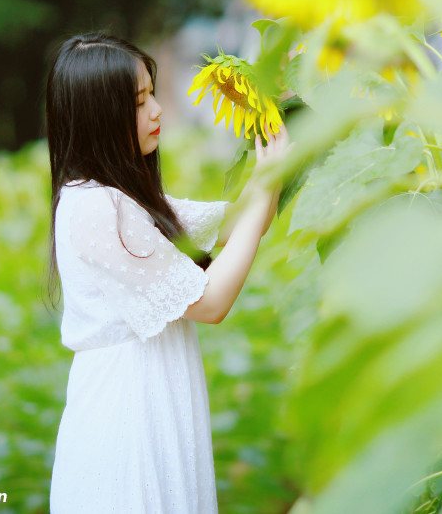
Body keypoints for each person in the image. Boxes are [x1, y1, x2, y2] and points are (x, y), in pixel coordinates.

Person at [45, 32, 292, 513]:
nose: (157, 110)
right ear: (100, 117)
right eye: (139, 102)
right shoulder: (98, 208)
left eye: (151, 93)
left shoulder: (119, 199)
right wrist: (269, 180)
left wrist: (273, 146)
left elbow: (241, 224)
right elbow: (213, 302)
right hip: (127, 418)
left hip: (147, 399)